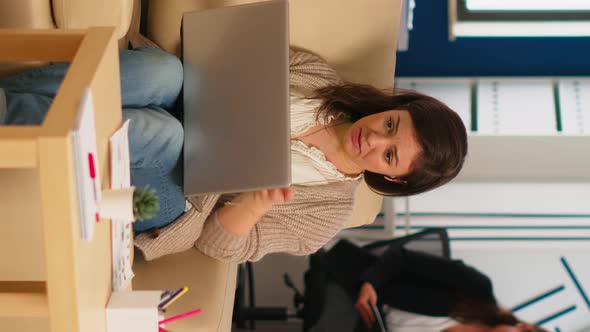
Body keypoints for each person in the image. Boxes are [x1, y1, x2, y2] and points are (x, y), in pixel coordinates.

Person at [0, 37, 468, 263]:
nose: (376, 138)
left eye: (390, 155)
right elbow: (224, 53)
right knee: (164, 71)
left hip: (178, 199)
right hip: (183, 99)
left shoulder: (326, 213)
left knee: (166, 135)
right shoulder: (321, 79)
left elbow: (219, 245)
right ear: (394, 106)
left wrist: (251, 205)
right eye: (391, 124)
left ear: (392, 179)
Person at [315, 239, 547, 332]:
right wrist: (371, 283)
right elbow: (402, 258)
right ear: (522, 328)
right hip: (355, 287)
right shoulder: (477, 289)